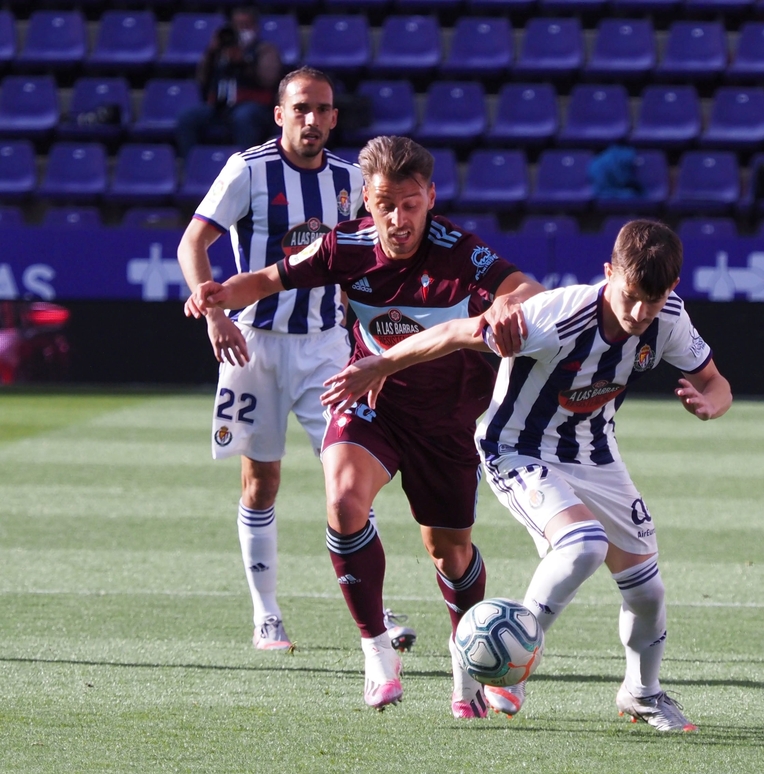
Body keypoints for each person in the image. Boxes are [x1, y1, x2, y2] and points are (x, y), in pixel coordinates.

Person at [323, 219, 733, 732]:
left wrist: (709, 406)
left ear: (671, 290)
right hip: (515, 449)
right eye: (629, 296)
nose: (638, 312)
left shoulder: (668, 318)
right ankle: (511, 664)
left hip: (595, 454)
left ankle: (642, 694)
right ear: (609, 273)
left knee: (647, 592)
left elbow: (716, 384)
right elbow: (454, 333)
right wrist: (380, 364)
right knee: (582, 544)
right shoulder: (555, 317)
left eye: (651, 301)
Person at [189, 135, 545, 718]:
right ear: (365, 202)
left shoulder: (459, 252)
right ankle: (377, 649)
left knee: (448, 550)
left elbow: (523, 288)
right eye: (385, 205)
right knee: (344, 503)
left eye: (410, 204)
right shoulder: (345, 245)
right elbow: (268, 280)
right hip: (370, 400)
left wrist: (510, 307)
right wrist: (217, 294)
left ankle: (469, 670)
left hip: (447, 417)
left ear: (430, 197)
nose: (398, 219)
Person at [178, 68, 414, 656]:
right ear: (280, 114)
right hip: (252, 345)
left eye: (324, 110)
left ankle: (375, 611)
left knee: (350, 478)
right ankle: (267, 616)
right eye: (302, 109)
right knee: (261, 481)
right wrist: (215, 315)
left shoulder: (352, 180)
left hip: (325, 349)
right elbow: (193, 243)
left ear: (336, 118)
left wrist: (376, 342)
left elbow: (377, 258)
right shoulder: (248, 170)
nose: (313, 120)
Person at [176, 7, 282, 161]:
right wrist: (211, 53)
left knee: (243, 117)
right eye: (237, 25)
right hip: (221, 107)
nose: (241, 30)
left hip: (254, 107)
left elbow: (268, 79)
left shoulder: (265, 50)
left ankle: (248, 168)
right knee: (187, 117)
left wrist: (244, 63)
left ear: (255, 27)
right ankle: (191, 168)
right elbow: (201, 80)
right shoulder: (221, 51)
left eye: (246, 25)